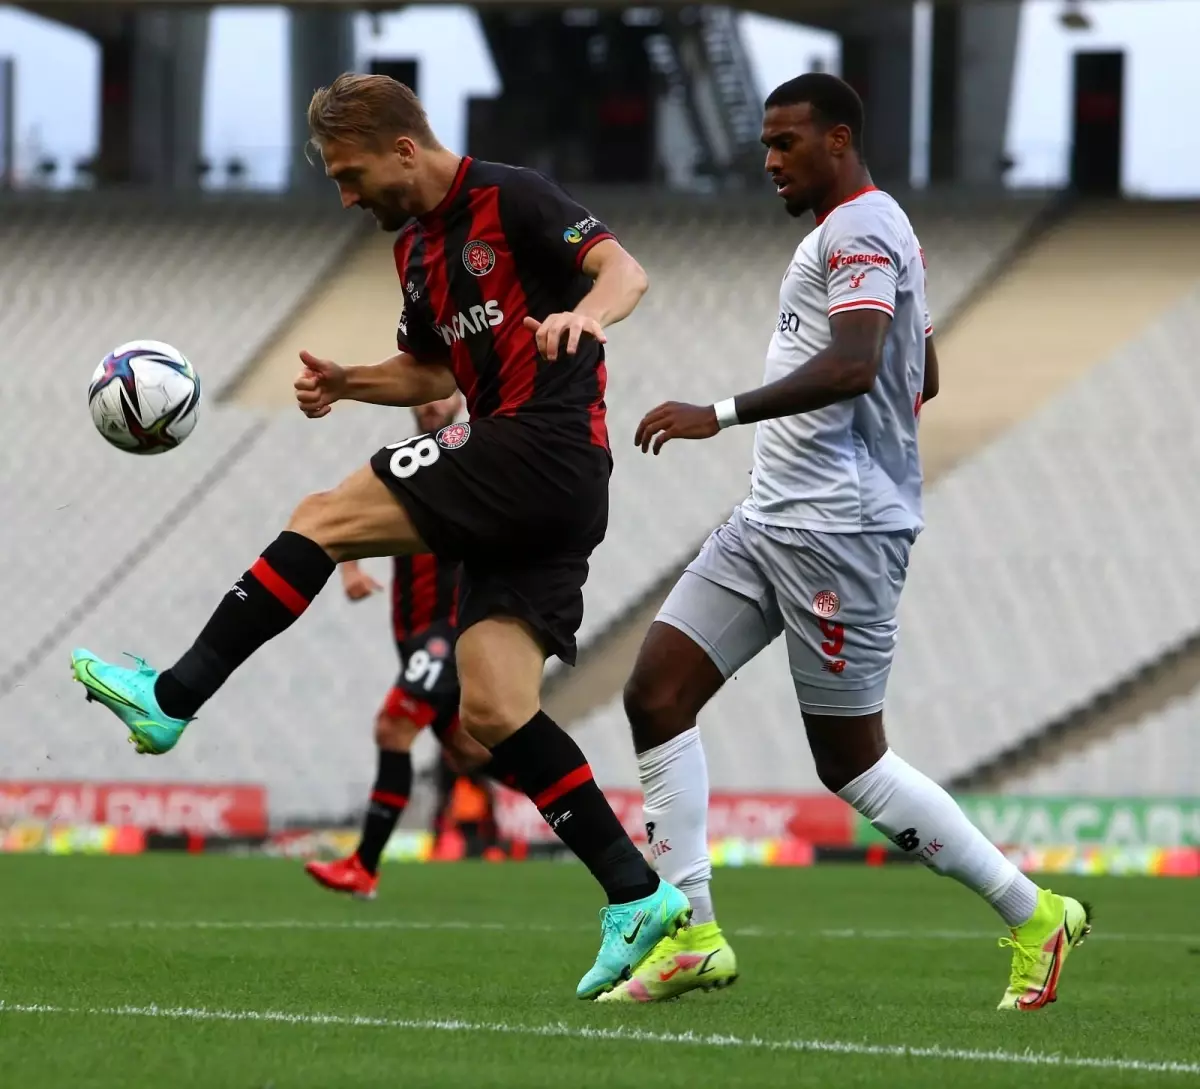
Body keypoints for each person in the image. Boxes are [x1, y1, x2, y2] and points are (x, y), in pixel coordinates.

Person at [70, 72, 689, 1000]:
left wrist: (585, 315)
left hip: (543, 446)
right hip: (542, 484)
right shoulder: (416, 252)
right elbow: (431, 368)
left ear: (405, 147)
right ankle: (636, 895)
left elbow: (623, 268)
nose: (347, 196)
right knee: (492, 710)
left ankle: (173, 694)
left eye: (350, 175)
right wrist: (349, 383)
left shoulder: (511, 195)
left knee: (322, 518)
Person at [599, 73, 1091, 1009]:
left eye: (786, 144)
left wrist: (720, 411)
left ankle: (1034, 913)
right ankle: (694, 933)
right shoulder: (854, 234)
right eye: (765, 148)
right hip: (768, 518)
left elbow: (864, 360)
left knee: (851, 763)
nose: (772, 163)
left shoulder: (861, 225)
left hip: (840, 535)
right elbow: (922, 369)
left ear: (839, 139)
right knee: (656, 692)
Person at [305, 394, 495, 899]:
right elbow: (347, 516)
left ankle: (364, 865)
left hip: (448, 631)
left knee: (393, 726)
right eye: (425, 393)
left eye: (443, 393)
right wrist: (349, 569)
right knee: (471, 746)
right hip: (412, 634)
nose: (433, 404)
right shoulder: (402, 462)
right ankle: (610, 827)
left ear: (459, 398)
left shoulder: (474, 457)